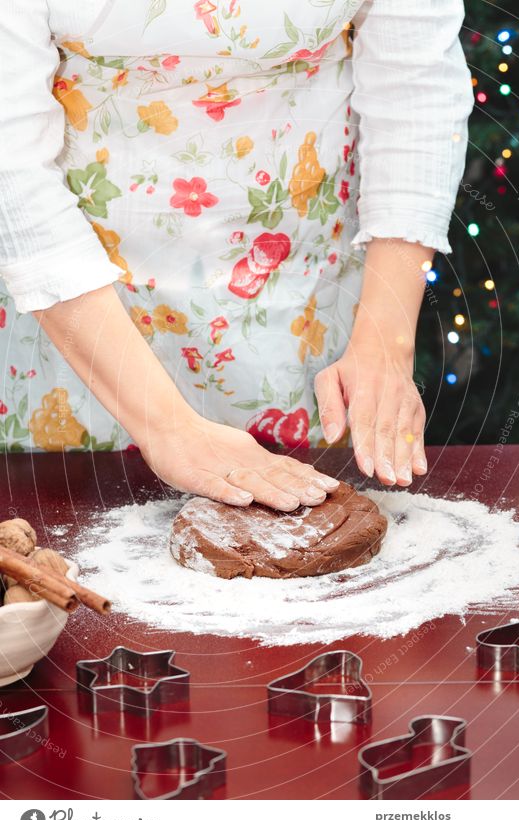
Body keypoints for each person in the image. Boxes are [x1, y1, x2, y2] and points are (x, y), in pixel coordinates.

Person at [0, 0, 474, 511]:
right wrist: (167, 428)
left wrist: (385, 344)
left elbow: (416, 95)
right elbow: (13, 168)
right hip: (79, 308)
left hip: (306, 299)